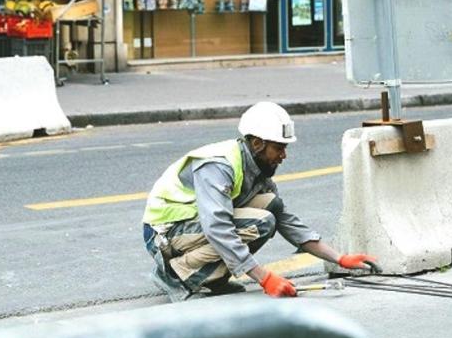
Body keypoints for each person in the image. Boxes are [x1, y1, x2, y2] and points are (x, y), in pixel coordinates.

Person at [142, 101, 378, 301]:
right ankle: (175, 275)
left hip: (191, 228)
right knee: (261, 222)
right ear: (257, 144)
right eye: (279, 148)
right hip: (165, 234)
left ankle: (211, 279)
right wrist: (264, 278)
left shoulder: (256, 168)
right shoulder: (218, 166)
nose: (284, 156)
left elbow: (286, 220)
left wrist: (339, 258)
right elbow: (218, 227)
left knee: (271, 206)